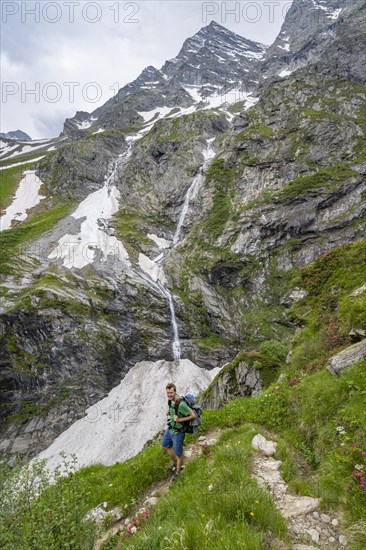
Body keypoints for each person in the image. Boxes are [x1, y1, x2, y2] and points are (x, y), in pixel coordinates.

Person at [162, 383, 196, 478]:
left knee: (178, 454)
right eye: (168, 393)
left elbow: (193, 416)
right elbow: (174, 411)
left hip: (178, 432)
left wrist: (179, 420)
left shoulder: (181, 404)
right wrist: (169, 412)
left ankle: (178, 471)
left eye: (171, 393)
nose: (169, 395)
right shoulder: (170, 401)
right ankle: (176, 462)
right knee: (165, 446)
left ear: (175, 391)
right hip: (171, 428)